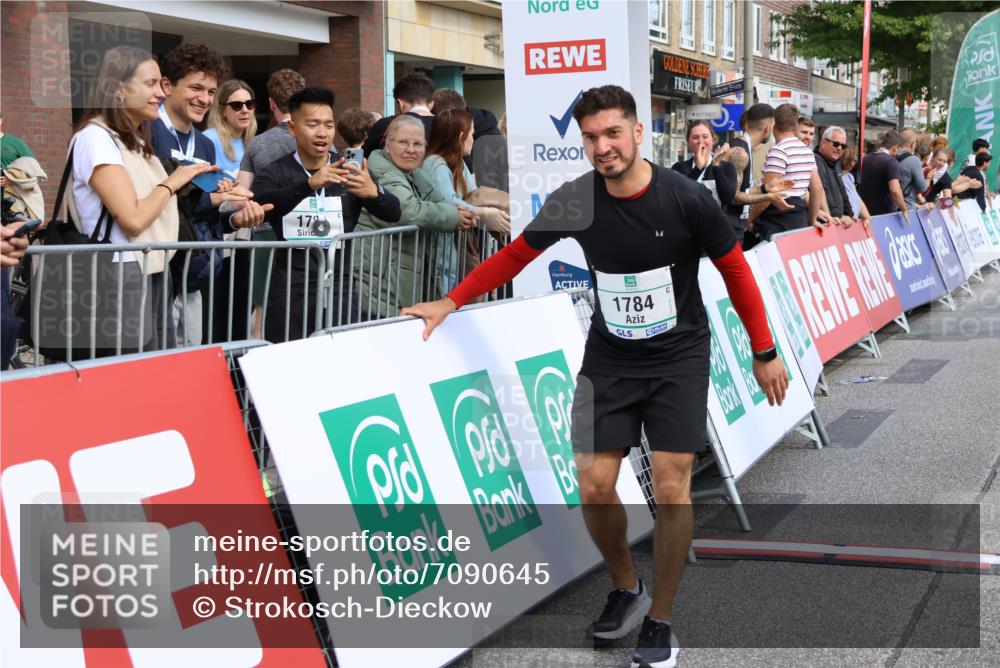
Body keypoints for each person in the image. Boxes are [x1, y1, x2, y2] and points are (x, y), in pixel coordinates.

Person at [401, 85, 788, 668]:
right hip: (609, 358)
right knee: (594, 484)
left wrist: (765, 351)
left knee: (672, 485)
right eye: (590, 137)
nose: (603, 147)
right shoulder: (577, 199)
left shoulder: (685, 199)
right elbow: (516, 255)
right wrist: (451, 301)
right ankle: (626, 587)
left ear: (637, 133)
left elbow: (735, 271)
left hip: (678, 356)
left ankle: (660, 620)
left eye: (612, 133)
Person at [65, 46, 267, 352]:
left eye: (160, 84)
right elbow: (134, 219)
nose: (160, 93)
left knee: (159, 365)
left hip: (155, 269)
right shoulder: (96, 138)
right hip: (119, 274)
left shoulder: (135, 139)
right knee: (129, 368)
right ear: (119, 89)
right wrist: (175, 181)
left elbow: (169, 210)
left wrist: (227, 213)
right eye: (151, 84)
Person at [251, 86, 399, 338]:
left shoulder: (349, 171)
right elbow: (263, 205)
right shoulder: (274, 172)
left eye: (328, 125)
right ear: (293, 128)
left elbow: (394, 212)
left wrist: (374, 193)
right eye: (312, 124)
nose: (322, 133)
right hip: (290, 287)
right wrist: (308, 185)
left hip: (339, 286)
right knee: (291, 356)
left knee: (341, 357)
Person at [149, 42, 251, 346]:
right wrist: (211, 198)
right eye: (196, 88)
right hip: (157, 271)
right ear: (167, 85)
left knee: (191, 353)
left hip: (193, 271)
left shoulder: (204, 145)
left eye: (211, 92)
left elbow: (203, 213)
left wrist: (233, 217)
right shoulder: (148, 131)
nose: (204, 99)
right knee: (156, 358)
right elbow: (149, 197)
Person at [356, 114, 476, 315]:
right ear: (387, 144)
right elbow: (409, 211)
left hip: (399, 275)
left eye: (418, 144)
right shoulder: (381, 170)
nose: (411, 149)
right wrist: (454, 216)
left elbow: (440, 201)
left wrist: (455, 212)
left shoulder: (415, 172)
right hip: (379, 277)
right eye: (403, 142)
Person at [235, 68, 307, 339]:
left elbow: (241, 195)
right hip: (310, 235)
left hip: (267, 233)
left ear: (271, 103)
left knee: (261, 317)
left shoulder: (258, 144)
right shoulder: (319, 140)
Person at [423, 109, 511, 292]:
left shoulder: (458, 163)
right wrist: (485, 213)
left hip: (456, 255)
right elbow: (449, 202)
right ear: (460, 136)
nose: (473, 139)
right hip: (442, 259)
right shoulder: (434, 164)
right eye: (472, 134)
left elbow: (474, 196)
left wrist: (497, 207)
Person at [748, 103, 829, 241]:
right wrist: (812, 219)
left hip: (776, 220)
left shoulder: (778, 151)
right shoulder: (807, 151)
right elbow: (817, 188)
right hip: (799, 218)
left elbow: (769, 194)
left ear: (774, 124)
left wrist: (750, 218)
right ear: (795, 125)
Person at [722, 103, 794, 245]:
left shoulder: (744, 147)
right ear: (767, 127)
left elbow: (742, 191)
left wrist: (765, 188)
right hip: (728, 229)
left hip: (734, 227)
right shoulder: (740, 152)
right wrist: (768, 196)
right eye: (773, 126)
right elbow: (733, 197)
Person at [671, 121, 737, 217]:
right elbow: (679, 198)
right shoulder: (679, 168)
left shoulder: (726, 167)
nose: (700, 141)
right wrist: (698, 169)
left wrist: (716, 166)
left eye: (705, 137)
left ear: (713, 140)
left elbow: (728, 199)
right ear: (688, 142)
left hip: (716, 223)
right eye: (695, 137)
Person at [362, 72, 436, 157]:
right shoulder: (446, 125)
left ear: (400, 103)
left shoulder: (387, 124)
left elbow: (364, 158)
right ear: (431, 104)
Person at [204, 79, 257, 178]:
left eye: (249, 104)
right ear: (222, 111)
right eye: (237, 105)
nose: (245, 110)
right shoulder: (208, 140)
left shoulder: (253, 143)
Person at [859, 130, 909, 221]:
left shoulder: (865, 159)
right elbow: (895, 190)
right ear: (895, 148)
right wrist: (904, 209)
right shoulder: (892, 162)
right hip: (885, 216)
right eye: (899, 149)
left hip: (865, 215)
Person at [814, 126, 857, 226]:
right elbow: (823, 191)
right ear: (823, 143)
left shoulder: (836, 163)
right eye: (836, 144)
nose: (839, 148)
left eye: (843, 146)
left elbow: (842, 190)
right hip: (824, 223)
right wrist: (838, 216)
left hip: (836, 221)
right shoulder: (816, 161)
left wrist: (850, 214)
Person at [839, 146, 873, 230]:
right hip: (844, 224)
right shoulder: (837, 177)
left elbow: (857, 198)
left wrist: (867, 217)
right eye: (855, 160)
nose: (855, 163)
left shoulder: (850, 176)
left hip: (854, 222)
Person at [0, 115, 35, 189]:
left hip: (11, 194)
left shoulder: (16, 143)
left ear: (0, 120)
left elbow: (33, 168)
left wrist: (13, 180)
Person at [896, 129, 927, 211]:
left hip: (890, 205)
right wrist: (929, 178)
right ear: (913, 144)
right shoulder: (913, 160)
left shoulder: (891, 155)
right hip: (906, 206)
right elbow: (922, 188)